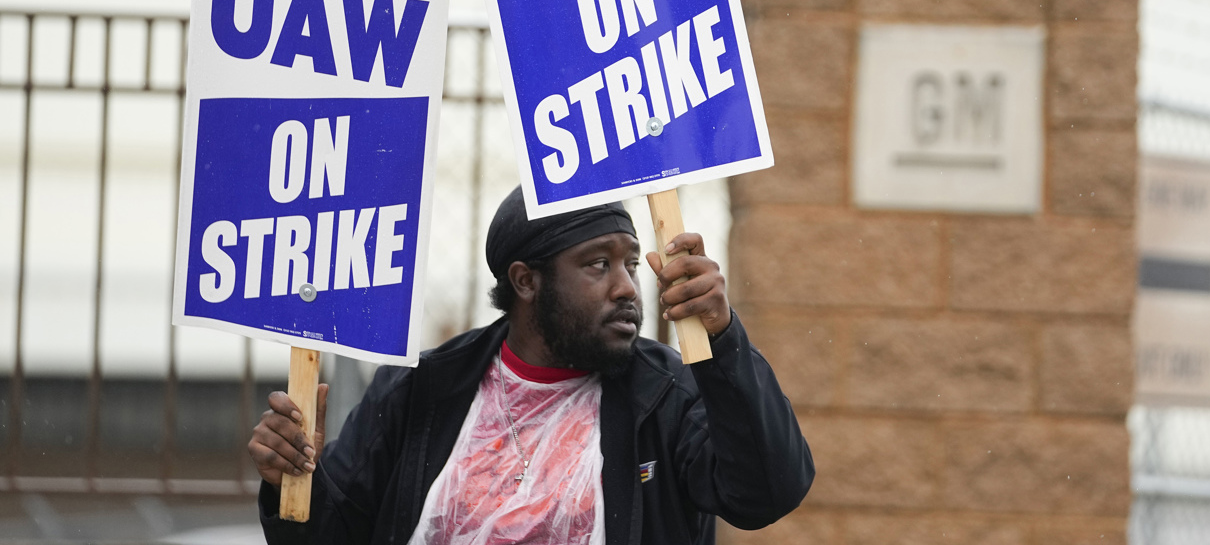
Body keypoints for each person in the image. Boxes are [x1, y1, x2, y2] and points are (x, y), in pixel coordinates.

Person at [249, 186, 814, 544]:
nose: (627, 286)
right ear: (526, 280)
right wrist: (291, 485)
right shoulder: (420, 390)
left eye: (630, 261)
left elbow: (767, 493)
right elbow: (329, 537)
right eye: (597, 264)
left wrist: (723, 342)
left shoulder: (666, 393)